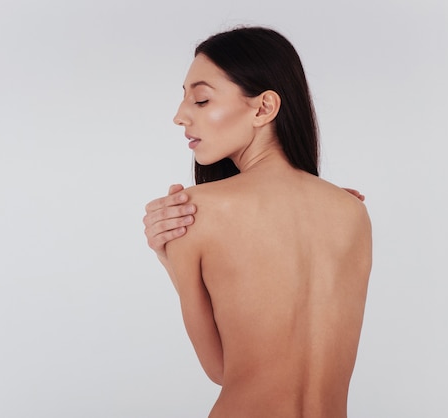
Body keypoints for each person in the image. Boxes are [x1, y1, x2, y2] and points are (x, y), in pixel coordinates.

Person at [142, 26, 372, 418]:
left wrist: (170, 257)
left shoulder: (195, 211)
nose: (180, 116)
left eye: (200, 99)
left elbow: (221, 370)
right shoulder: (352, 212)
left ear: (264, 108)